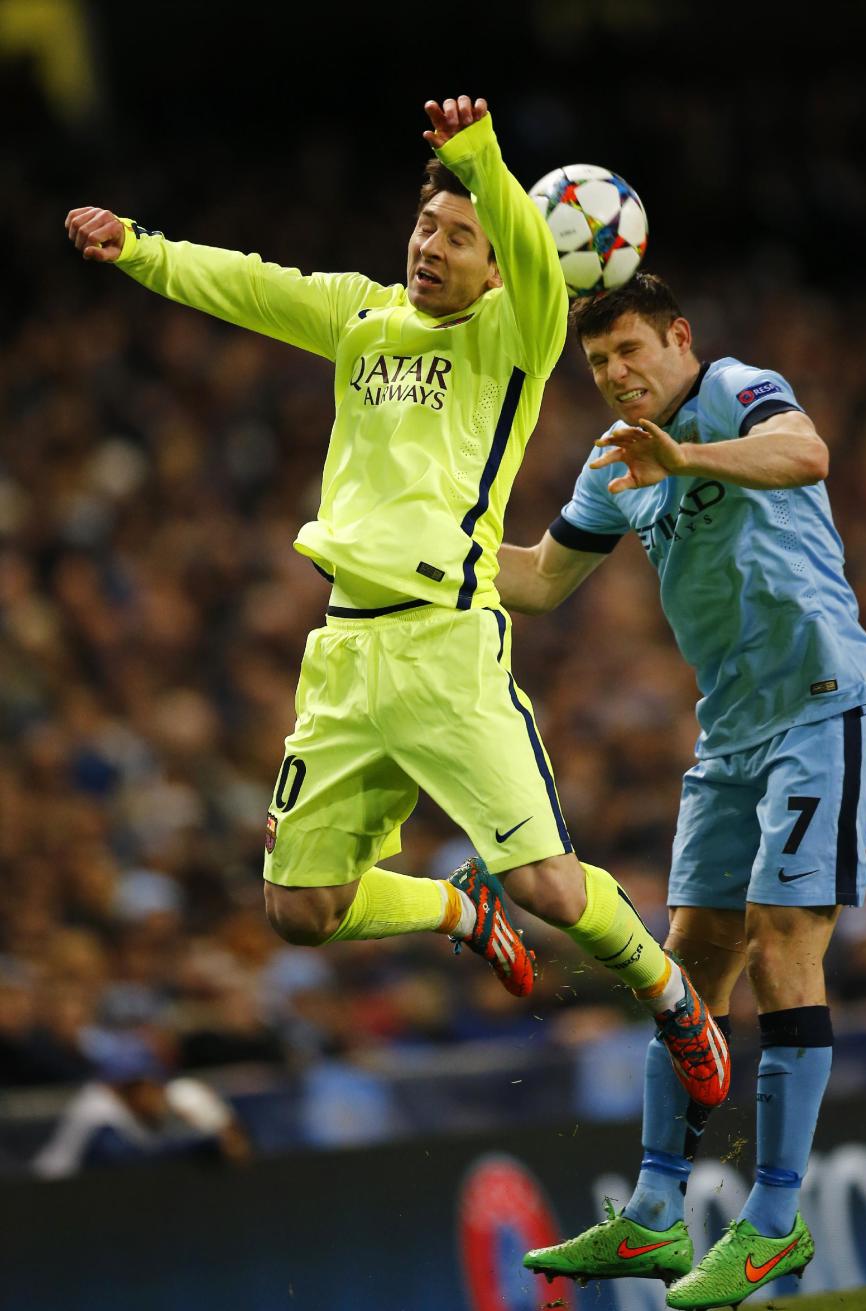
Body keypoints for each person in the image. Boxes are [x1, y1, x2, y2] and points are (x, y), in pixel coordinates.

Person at [64, 100, 730, 1114]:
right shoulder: (363, 318)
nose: (433, 246)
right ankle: (456, 914)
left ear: (500, 264)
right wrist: (139, 251)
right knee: (299, 910)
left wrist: (477, 157)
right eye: (427, 226)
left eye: (462, 236)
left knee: (549, 889)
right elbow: (248, 283)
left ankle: (671, 994)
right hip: (344, 653)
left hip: (448, 652)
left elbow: (533, 256)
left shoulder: (522, 331)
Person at [507, 273, 866, 1306]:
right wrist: (417, 554)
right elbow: (541, 579)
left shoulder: (735, 388)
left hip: (828, 704)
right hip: (729, 737)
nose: (617, 376)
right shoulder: (611, 465)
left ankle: (773, 1221)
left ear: (678, 340)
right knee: (688, 966)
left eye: (630, 351)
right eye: (597, 365)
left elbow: (808, 452)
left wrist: (685, 454)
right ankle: (650, 1214)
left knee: (783, 931)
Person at [33, 1039, 250, 1176]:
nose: (155, 1094)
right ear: (126, 1086)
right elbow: (130, 1161)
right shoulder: (97, 1108)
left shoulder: (135, 1110)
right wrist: (202, 1145)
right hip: (49, 1197)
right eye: (147, 1086)